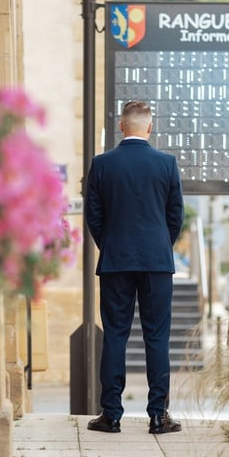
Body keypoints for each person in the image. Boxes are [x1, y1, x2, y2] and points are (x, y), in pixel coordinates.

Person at [83, 100, 185, 434]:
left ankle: (111, 414)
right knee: (157, 337)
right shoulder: (166, 164)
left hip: (116, 260)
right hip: (157, 262)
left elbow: (94, 216)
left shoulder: (101, 164)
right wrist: (158, 247)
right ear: (149, 127)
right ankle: (158, 415)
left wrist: (111, 244)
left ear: (121, 126)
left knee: (115, 335)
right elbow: (175, 216)